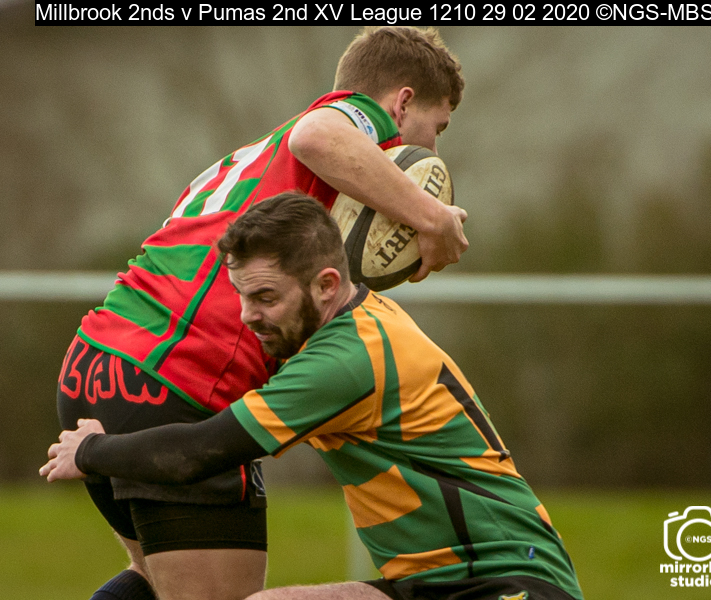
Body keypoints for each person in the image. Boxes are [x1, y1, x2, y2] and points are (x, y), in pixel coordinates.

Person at [55, 26, 468, 600]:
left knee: (155, 581)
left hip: (98, 363)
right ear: (401, 102)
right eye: (437, 128)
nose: (434, 153)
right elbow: (316, 135)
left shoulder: (256, 162)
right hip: (180, 380)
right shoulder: (356, 117)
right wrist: (431, 216)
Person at [43, 193, 584, 600]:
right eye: (242, 296)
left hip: (508, 579)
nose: (248, 315)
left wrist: (91, 451)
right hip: (430, 581)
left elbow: (200, 452)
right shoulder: (351, 321)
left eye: (265, 297)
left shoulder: (342, 363)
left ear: (326, 285)